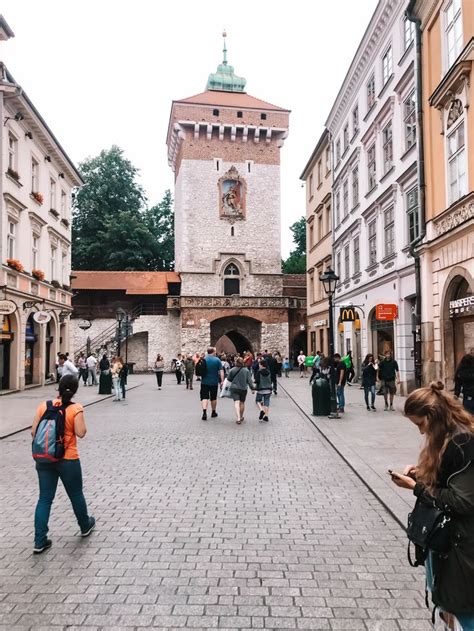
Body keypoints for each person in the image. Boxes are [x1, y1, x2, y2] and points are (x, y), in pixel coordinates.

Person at [390, 382, 474, 631]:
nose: (420, 432)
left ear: (433, 416)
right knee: (450, 607)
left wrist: (416, 488)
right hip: (448, 543)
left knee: (463, 610)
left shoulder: (462, 443)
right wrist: (420, 476)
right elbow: (448, 483)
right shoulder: (448, 437)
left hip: (462, 547)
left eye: (420, 424)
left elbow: (463, 500)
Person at [31, 375, 95, 554]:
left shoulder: (45, 406)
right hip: (68, 459)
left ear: (58, 388)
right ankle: (85, 525)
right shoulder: (76, 408)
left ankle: (39, 540)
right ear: (74, 390)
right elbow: (81, 433)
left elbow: (33, 431)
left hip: (45, 458)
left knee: (44, 499)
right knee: (76, 494)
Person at [228, 357, 255, 424]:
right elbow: (249, 381)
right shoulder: (246, 371)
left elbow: (229, 379)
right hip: (243, 388)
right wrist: (252, 388)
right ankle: (241, 416)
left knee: (236, 402)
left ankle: (238, 418)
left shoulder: (232, 370)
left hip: (234, 388)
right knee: (242, 403)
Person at [200, 347, 224, 421]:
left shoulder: (204, 359)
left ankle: (204, 411)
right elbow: (221, 371)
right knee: (213, 398)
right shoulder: (217, 360)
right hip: (214, 382)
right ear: (213, 352)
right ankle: (213, 412)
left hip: (204, 381)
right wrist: (222, 381)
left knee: (204, 397)